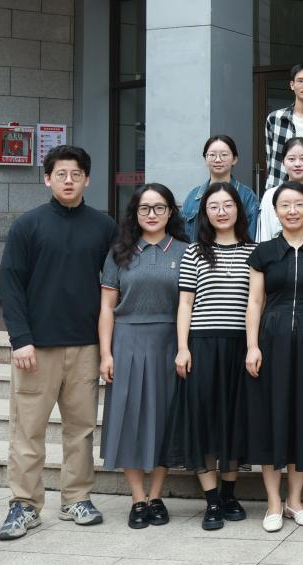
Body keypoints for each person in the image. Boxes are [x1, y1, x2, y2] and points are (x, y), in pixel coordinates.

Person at [0, 145, 117, 541]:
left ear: (87, 179)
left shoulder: (104, 227)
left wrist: (108, 345)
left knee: (80, 430)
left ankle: (76, 498)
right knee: (27, 431)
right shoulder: (27, 225)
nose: (69, 180)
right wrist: (20, 340)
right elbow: (11, 284)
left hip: (85, 346)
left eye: (76, 174)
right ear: (47, 178)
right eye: (61, 174)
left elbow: (115, 285)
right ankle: (24, 504)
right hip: (36, 349)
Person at [243, 182, 303, 532]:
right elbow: (255, 301)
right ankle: (273, 502)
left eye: (299, 204)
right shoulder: (264, 251)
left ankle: (295, 501)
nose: (292, 210)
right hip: (271, 338)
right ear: (276, 211)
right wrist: (252, 346)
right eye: (285, 205)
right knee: (271, 415)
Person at [161, 182, 256, 531]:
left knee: (234, 421)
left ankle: (230, 495)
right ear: (204, 214)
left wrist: (254, 346)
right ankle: (212, 500)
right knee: (202, 422)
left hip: (240, 346)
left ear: (238, 210)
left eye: (227, 205)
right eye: (213, 206)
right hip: (202, 345)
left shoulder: (254, 251)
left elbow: (256, 302)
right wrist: (182, 347)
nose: (221, 211)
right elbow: (185, 303)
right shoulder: (195, 252)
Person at [99, 184, 189, 530]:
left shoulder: (185, 251)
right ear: (134, 214)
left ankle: (156, 496)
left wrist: (184, 347)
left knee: (165, 419)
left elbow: (189, 305)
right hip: (127, 341)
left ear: (170, 212)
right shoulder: (119, 252)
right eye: (144, 208)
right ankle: (137, 498)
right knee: (129, 418)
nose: (152, 214)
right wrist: (105, 353)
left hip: (170, 342)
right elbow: (107, 308)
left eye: (159, 207)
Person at [181, 135, 260, 241]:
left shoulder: (247, 196)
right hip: (198, 251)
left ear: (234, 159)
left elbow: (252, 237)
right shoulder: (193, 196)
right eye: (212, 155)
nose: (218, 160)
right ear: (205, 159)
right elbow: (182, 234)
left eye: (224, 155)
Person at [257, 137, 303, 242]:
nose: (297, 164)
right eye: (291, 159)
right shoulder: (270, 195)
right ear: (283, 161)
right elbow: (264, 234)